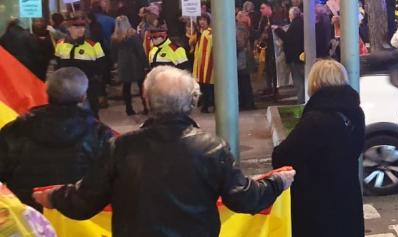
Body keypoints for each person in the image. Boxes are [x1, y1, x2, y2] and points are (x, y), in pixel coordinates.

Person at [32, 66, 296, 237]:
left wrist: (55, 197)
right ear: (192, 102)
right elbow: (245, 198)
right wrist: (277, 182)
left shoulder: (122, 147)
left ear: (146, 101)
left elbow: (84, 200)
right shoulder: (212, 148)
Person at [272, 60, 365, 236]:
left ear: (314, 82)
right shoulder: (356, 112)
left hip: (317, 204)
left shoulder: (316, 119)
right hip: (348, 196)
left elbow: (282, 157)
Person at [0, 68, 115, 211]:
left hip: (30, 221)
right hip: (80, 221)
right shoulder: (99, 134)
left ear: (47, 92)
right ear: (83, 96)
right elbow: (107, 183)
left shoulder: (15, 130)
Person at [54, 17, 106, 118]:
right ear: (69, 28)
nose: (81, 29)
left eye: (83, 27)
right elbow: (57, 65)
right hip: (67, 88)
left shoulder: (93, 45)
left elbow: (101, 67)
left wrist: (100, 89)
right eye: (77, 27)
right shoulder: (60, 45)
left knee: (92, 114)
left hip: (88, 87)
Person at [112, 15, 149, 116]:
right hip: (135, 63)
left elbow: (113, 52)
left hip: (123, 63)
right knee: (141, 86)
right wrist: (146, 64)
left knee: (126, 87)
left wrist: (115, 63)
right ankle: (146, 107)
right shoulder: (133, 35)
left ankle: (129, 109)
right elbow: (140, 51)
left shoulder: (115, 37)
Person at [275, 7, 306, 103]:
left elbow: (288, 38)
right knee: (303, 79)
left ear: (293, 15)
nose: (289, 16)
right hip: (301, 56)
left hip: (295, 57)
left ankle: (301, 101)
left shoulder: (295, 25)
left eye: (289, 15)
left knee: (298, 81)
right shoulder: (302, 23)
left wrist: (278, 30)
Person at [192, 15, 215, 113]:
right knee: (203, 86)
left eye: (204, 20)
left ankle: (208, 105)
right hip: (200, 64)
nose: (202, 22)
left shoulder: (209, 32)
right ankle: (205, 105)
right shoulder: (199, 32)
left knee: (209, 86)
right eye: (200, 20)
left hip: (208, 65)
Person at [255, 2, 278, 100]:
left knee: (274, 70)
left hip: (274, 49)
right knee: (268, 69)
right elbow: (260, 32)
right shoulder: (263, 19)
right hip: (267, 49)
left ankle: (275, 89)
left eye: (263, 8)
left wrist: (269, 36)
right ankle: (269, 87)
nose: (261, 10)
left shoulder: (275, 18)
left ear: (269, 8)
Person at [236, 11, 257, 110]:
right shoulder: (242, 28)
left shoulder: (240, 28)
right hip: (243, 59)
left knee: (243, 82)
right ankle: (248, 103)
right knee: (245, 82)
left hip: (241, 60)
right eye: (246, 16)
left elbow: (239, 44)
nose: (248, 18)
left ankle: (246, 103)